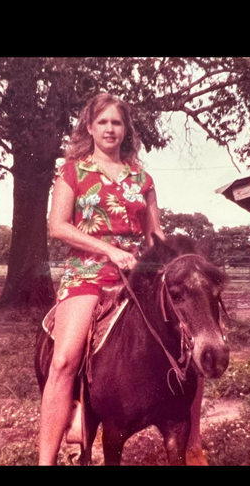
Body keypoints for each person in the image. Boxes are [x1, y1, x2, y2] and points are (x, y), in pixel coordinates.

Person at [37, 92, 205, 466]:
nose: (110, 129)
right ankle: (47, 459)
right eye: (103, 122)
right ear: (90, 127)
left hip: (138, 274)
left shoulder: (141, 178)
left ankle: (193, 446)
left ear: (126, 129)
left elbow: (154, 236)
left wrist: (172, 262)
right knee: (64, 360)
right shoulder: (72, 171)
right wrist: (109, 250)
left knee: (189, 344)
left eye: (117, 122)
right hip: (88, 272)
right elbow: (58, 226)